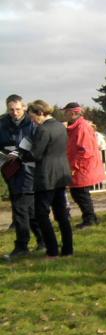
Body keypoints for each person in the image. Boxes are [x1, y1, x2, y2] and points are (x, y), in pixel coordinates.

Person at [20, 101, 73, 257]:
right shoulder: (59, 126)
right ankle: (68, 250)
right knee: (62, 214)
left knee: (41, 215)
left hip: (46, 176)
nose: (32, 120)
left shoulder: (43, 130)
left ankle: (52, 250)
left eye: (32, 116)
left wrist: (22, 154)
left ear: (40, 113)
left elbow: (35, 154)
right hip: (61, 173)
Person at [1, 94, 40, 260]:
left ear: (24, 107)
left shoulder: (32, 123)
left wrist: (18, 152)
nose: (15, 112)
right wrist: (6, 155)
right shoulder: (2, 124)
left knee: (21, 209)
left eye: (17, 109)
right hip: (10, 170)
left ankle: (22, 245)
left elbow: (34, 144)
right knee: (30, 212)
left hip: (29, 171)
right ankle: (43, 240)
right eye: (11, 109)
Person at [63, 103, 105, 227]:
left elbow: (85, 151)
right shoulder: (80, 126)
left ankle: (89, 219)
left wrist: (74, 166)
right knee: (80, 194)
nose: (64, 115)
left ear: (72, 113)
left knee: (80, 194)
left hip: (82, 167)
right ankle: (91, 217)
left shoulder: (81, 127)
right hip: (82, 166)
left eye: (65, 112)